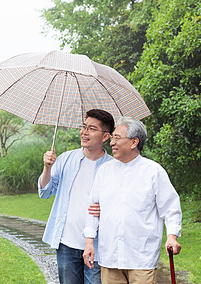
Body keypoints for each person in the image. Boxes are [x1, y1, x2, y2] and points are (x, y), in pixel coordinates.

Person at [82, 117, 182, 284]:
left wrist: (172, 236)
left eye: (117, 138)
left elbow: (171, 207)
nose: (112, 142)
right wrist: (89, 243)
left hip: (141, 257)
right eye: (112, 137)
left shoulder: (153, 171)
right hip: (110, 257)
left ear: (134, 142)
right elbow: (92, 209)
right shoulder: (104, 172)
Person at [38, 109, 115, 284]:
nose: (84, 132)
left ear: (105, 137)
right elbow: (45, 192)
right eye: (83, 127)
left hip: (98, 246)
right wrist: (47, 168)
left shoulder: (112, 167)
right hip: (67, 242)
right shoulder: (66, 159)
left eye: (92, 129)